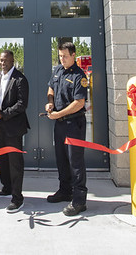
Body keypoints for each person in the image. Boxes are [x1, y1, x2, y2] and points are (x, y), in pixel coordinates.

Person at [46, 41, 89, 216]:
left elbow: (79, 103)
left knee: (75, 162)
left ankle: (79, 200)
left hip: (74, 124)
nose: (62, 59)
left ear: (73, 55)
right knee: (61, 159)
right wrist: (50, 104)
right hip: (60, 124)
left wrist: (59, 114)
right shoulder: (57, 71)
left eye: (65, 56)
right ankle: (65, 191)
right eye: (60, 56)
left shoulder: (80, 76)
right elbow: (50, 88)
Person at [0, 50, 29, 212]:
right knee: (3, 160)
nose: (2, 63)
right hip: (1, 127)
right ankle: (6, 188)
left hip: (14, 128)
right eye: (1, 60)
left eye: (6, 60)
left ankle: (17, 198)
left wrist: (3, 115)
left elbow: (22, 104)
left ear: (13, 61)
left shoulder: (20, 79)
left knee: (15, 163)